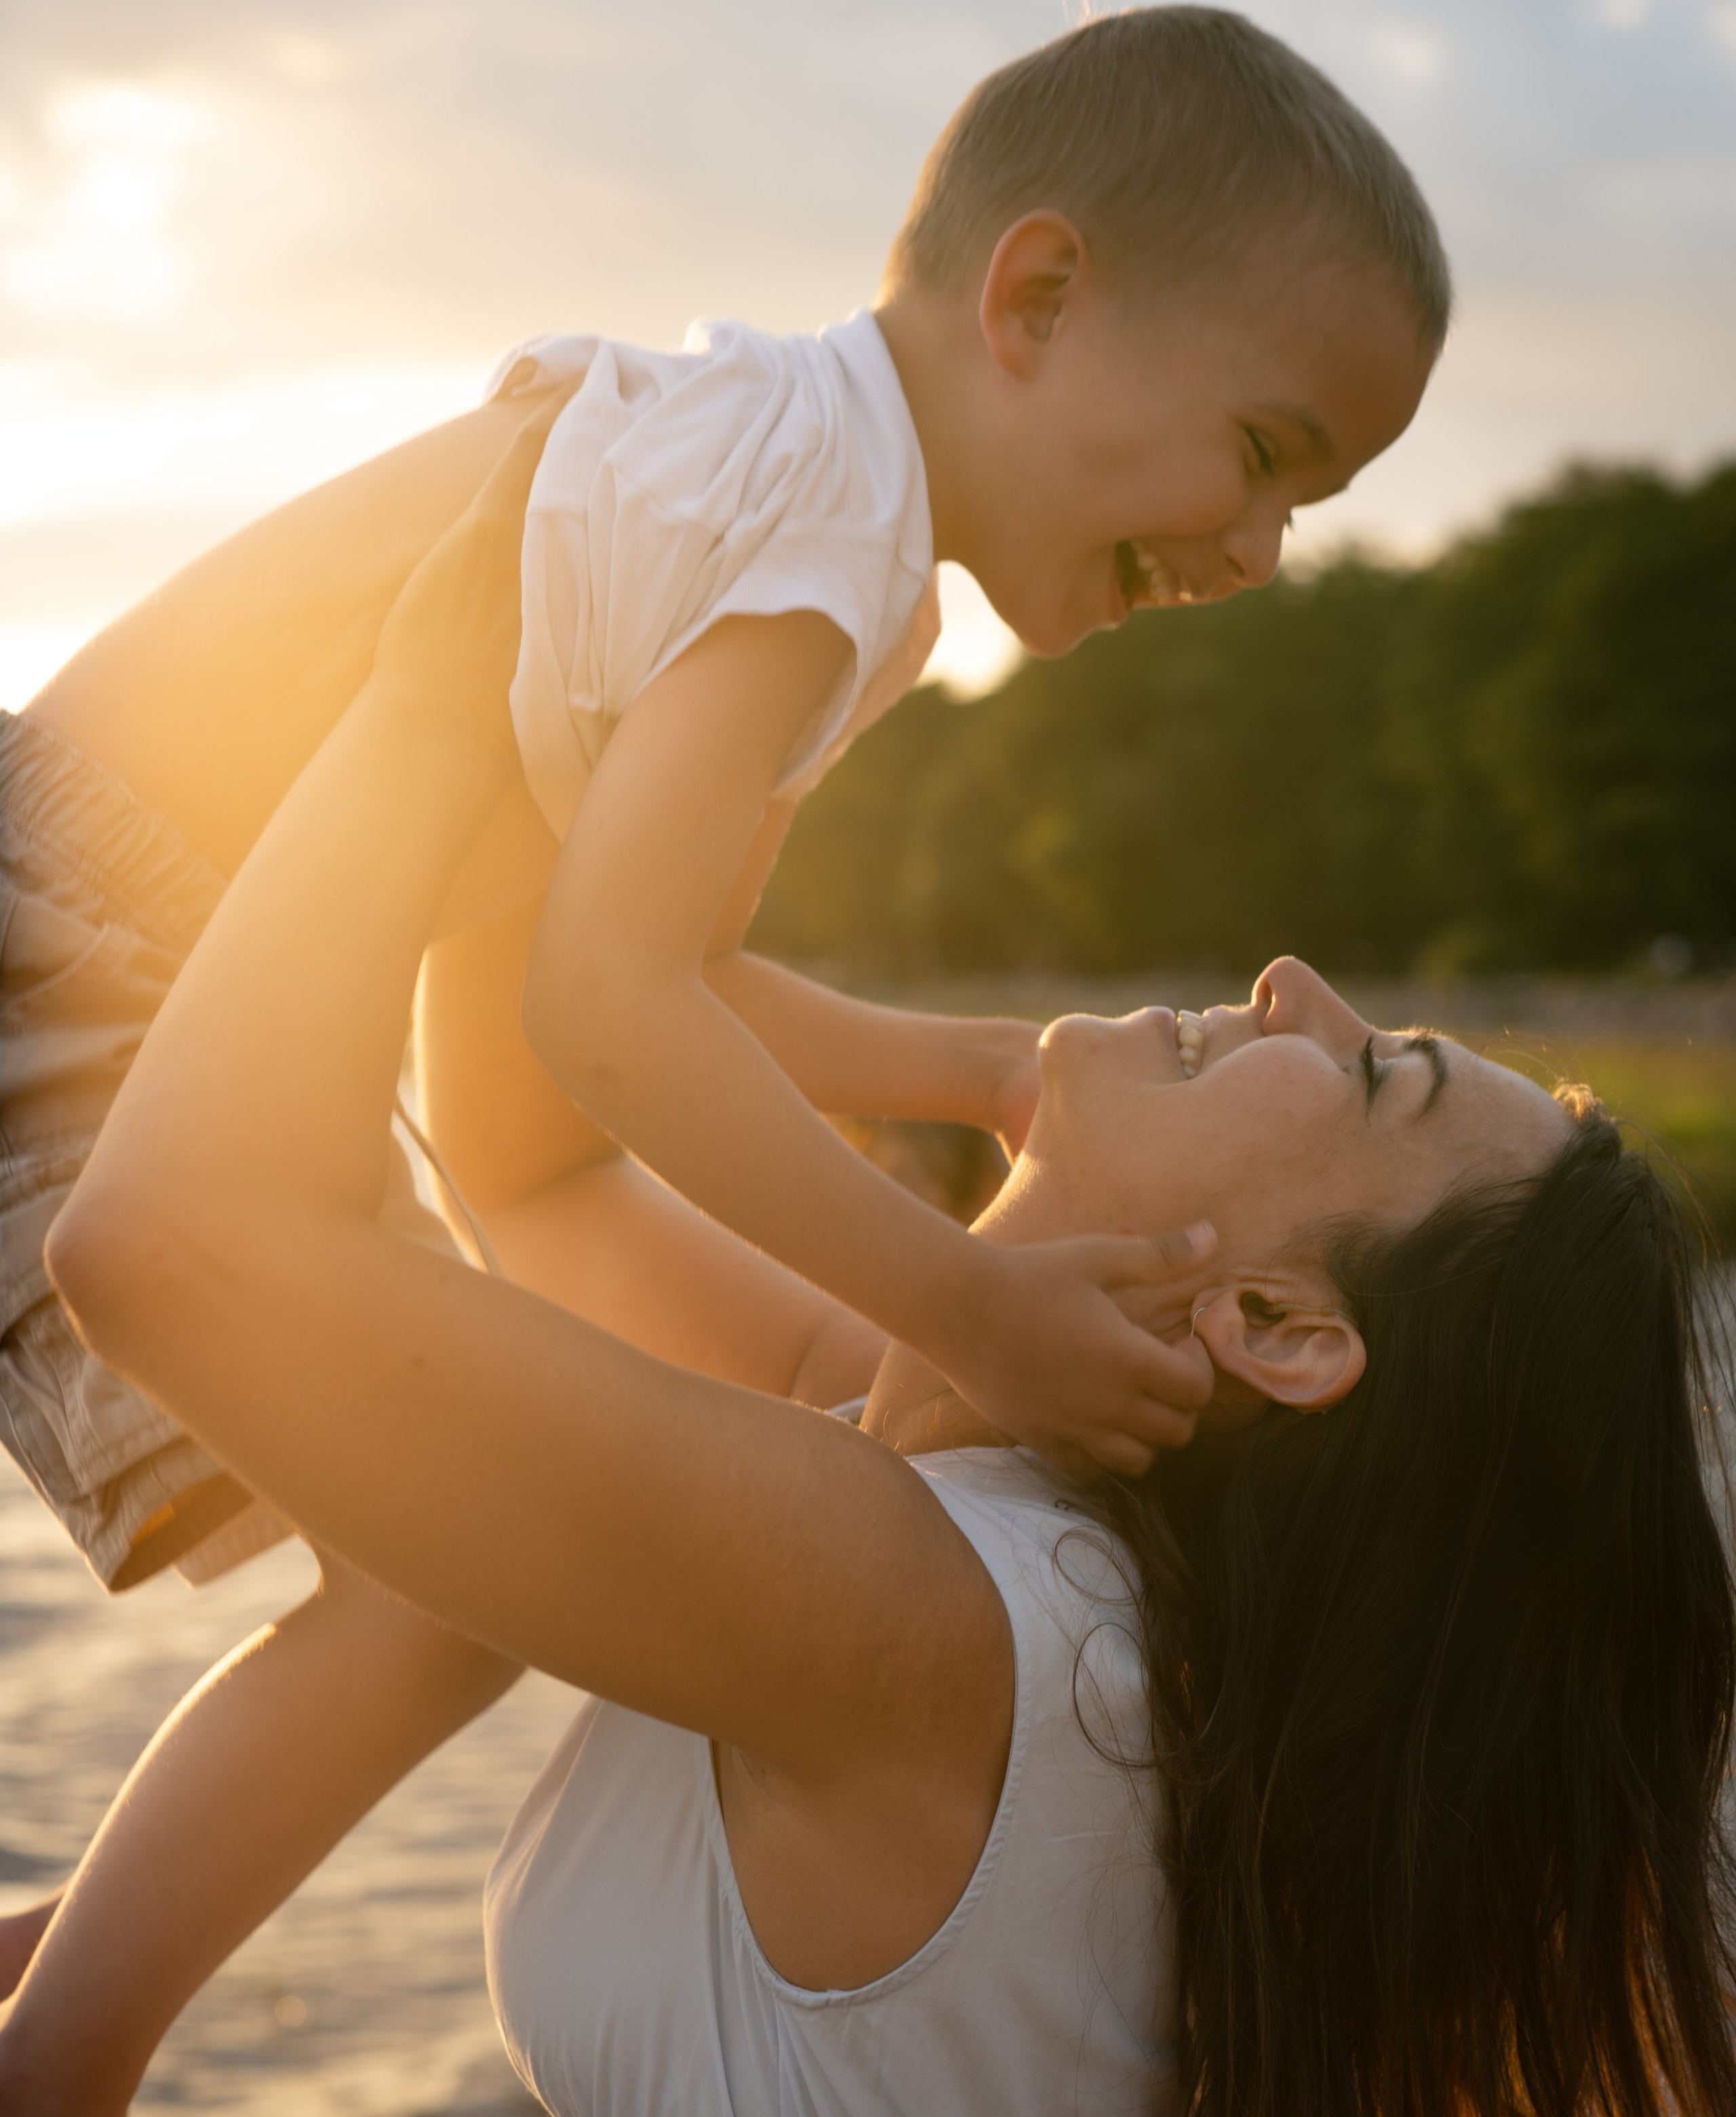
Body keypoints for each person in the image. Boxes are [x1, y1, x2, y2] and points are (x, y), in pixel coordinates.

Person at [7, 412, 1733, 2117]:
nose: (1302, 981)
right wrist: (633, 738)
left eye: (1377, 1072)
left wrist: (436, 694)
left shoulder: (932, 1625)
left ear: (1287, 1326)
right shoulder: (978, 1501)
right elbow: (535, 1161)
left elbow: (170, 1245)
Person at [0, 0, 1440, 2003]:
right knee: (431, 1597)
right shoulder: (823, 534)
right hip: (100, 930)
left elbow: (640, 957)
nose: (1263, 550)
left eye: (1310, 505)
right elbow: (604, 1013)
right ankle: (54, 2098)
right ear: (1034, 297)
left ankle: (82, 1950)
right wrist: (963, 1306)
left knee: (429, 1569)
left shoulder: (811, 496)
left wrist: (943, 1065)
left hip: (145, 899)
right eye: (1265, 454)